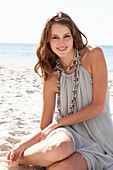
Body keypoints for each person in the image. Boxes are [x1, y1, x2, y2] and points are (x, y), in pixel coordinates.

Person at [5, 11, 113, 170]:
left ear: (73, 36)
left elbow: (98, 106)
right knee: (58, 149)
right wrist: (22, 145)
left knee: (59, 168)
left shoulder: (93, 55)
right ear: (48, 41)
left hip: (99, 141)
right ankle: (19, 158)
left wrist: (58, 122)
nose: (61, 42)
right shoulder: (52, 77)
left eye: (66, 36)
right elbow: (45, 127)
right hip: (66, 135)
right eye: (55, 37)